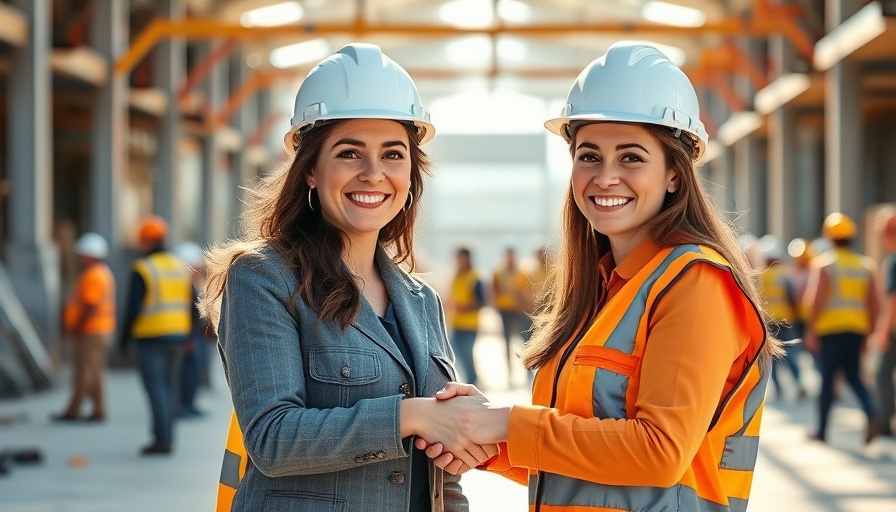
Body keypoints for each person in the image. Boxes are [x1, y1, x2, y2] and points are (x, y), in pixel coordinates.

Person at [416, 41, 779, 512]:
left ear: (674, 173)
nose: (605, 177)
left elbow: (659, 455)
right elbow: (585, 460)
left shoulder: (695, 283)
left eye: (631, 157)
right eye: (589, 156)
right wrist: (478, 439)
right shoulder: (605, 292)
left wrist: (507, 423)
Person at [199, 43, 481, 512]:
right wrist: (413, 415)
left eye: (393, 155)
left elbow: (441, 481)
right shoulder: (263, 280)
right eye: (350, 153)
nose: (374, 174)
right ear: (310, 169)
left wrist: (458, 432)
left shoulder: (421, 299)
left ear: (411, 173)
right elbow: (272, 438)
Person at [803, 212, 882, 443]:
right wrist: (868, 335)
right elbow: (874, 305)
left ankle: (821, 431)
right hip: (856, 330)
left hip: (830, 330)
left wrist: (810, 330)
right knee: (854, 376)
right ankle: (872, 412)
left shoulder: (825, 264)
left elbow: (815, 300)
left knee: (827, 380)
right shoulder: (865, 265)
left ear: (829, 237)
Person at [118, 215, 193, 455]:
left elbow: (132, 308)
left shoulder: (143, 268)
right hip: (177, 336)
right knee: (170, 387)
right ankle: (167, 436)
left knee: (156, 388)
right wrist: (189, 335)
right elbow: (193, 303)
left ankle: (163, 441)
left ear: (146, 241)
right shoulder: (179, 266)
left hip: (151, 337)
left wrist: (122, 341)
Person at [52, 232, 116, 422]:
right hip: (99, 330)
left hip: (90, 331)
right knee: (94, 372)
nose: (79, 257)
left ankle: (73, 410)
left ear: (89, 255)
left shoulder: (93, 276)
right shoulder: (102, 273)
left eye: (81, 254)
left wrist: (76, 327)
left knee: (83, 373)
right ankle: (99, 409)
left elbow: (89, 305)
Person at [756, 235, 807, 400]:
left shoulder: (760, 275)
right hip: (785, 320)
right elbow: (792, 296)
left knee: (772, 356)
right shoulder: (785, 273)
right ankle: (798, 382)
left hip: (768, 321)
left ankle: (778, 388)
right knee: (790, 353)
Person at [172, 240, 213, 418]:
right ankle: (183, 406)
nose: (200, 269)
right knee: (186, 372)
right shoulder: (182, 284)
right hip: (187, 336)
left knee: (195, 371)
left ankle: (189, 404)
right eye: (196, 266)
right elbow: (188, 312)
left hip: (196, 335)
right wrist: (188, 338)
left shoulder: (195, 283)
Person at [873, 209, 896, 437]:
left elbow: (893, 299)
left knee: (881, 374)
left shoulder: (894, 261)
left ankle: (886, 424)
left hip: (894, 330)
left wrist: (883, 331)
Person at [491, 247, 528, 387]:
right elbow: (494, 290)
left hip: (518, 310)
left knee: (523, 340)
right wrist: (495, 307)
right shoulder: (498, 272)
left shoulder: (521, 272)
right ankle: (509, 372)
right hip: (504, 310)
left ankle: (527, 371)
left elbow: (525, 290)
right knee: (506, 341)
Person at [449, 246, 485, 387]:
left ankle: (473, 379)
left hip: (470, 324)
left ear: (467, 258)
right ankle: (466, 378)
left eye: (460, 258)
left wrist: (464, 308)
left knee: (467, 353)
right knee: (457, 352)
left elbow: (482, 302)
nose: (458, 261)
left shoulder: (475, 277)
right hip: (457, 322)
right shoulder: (457, 275)